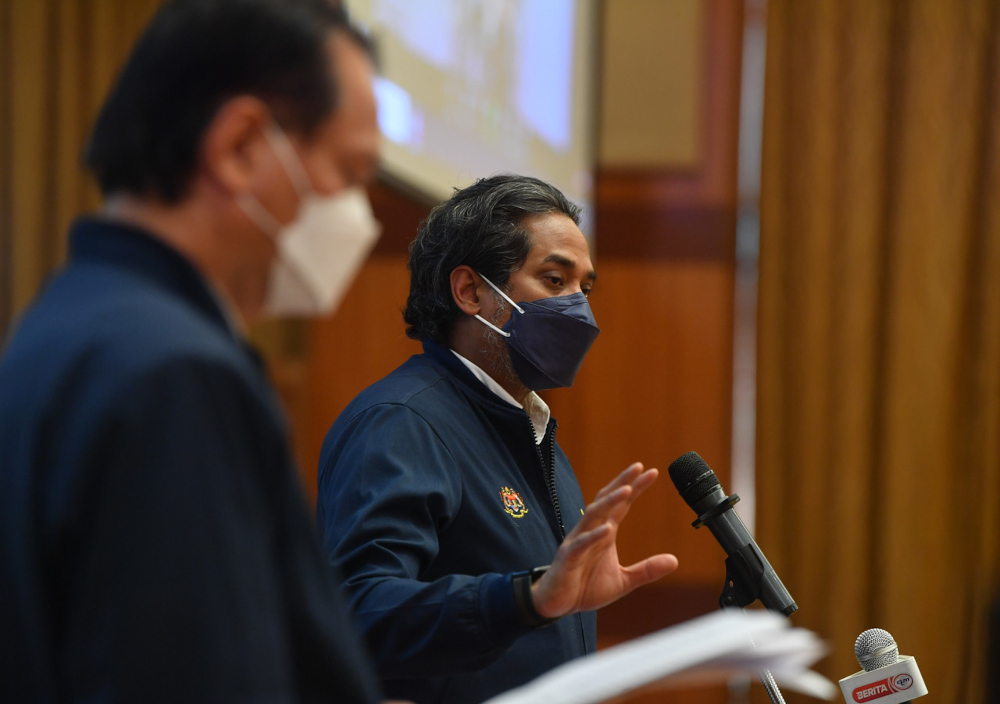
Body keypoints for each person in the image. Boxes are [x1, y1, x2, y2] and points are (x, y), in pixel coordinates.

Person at [0, 1, 384, 701]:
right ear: (240, 148)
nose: (360, 216)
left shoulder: (64, 321)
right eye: (351, 172)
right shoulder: (177, 376)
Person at [317, 174, 680, 704]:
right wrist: (524, 599)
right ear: (470, 291)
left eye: (584, 288)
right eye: (554, 280)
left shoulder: (531, 428)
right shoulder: (401, 423)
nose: (580, 308)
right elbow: (358, 611)